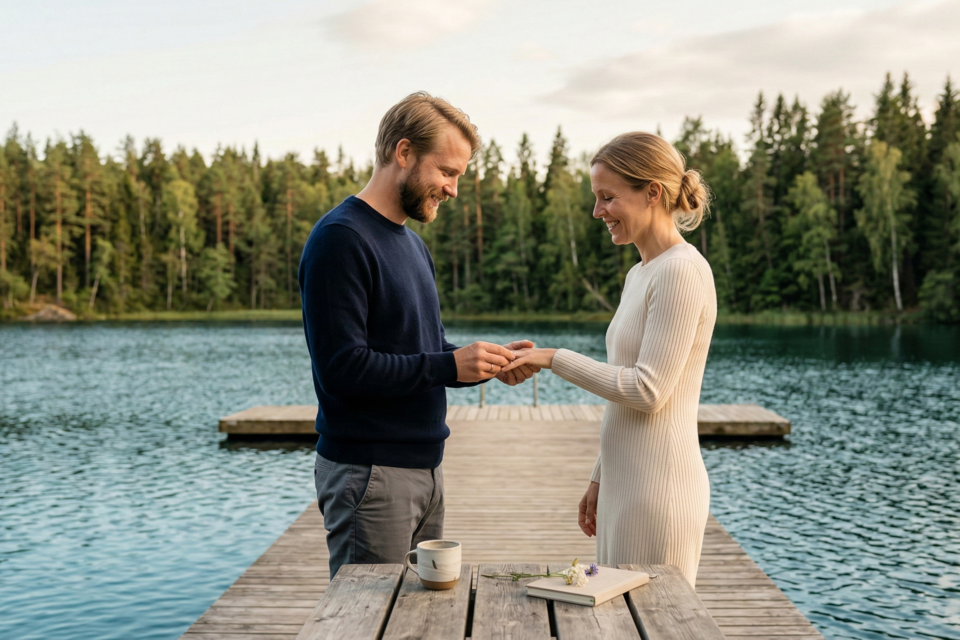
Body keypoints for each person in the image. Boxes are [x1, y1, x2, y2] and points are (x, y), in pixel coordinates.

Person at [299, 92, 537, 578]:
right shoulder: (341, 239)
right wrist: (450, 364)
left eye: (458, 177)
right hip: (370, 476)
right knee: (365, 624)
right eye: (446, 172)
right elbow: (343, 369)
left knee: (419, 621)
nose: (452, 189)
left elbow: (423, 355)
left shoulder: (411, 245)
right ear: (403, 153)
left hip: (425, 470)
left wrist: (486, 365)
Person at [502, 132, 716, 587]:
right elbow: (624, 395)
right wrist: (601, 477)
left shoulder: (682, 271)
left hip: (660, 493)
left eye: (607, 197)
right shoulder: (640, 273)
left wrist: (552, 358)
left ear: (652, 193)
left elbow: (646, 390)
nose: (598, 211)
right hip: (624, 487)